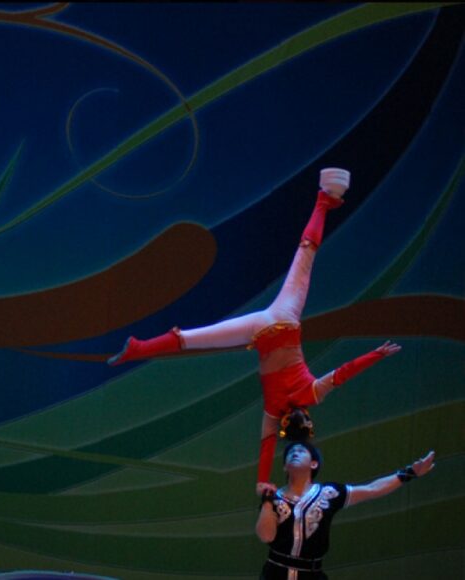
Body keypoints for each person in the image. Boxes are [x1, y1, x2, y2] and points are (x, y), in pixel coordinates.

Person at [107, 169, 400, 488]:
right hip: (262, 330)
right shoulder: (277, 411)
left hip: (280, 319)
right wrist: (262, 482)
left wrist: (377, 354)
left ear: (303, 419)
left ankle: (323, 201)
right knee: (194, 339)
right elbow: (268, 445)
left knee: (305, 254)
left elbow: (343, 373)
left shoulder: (308, 396)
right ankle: (138, 349)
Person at [256, 441, 435, 579]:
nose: (295, 453)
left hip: (311, 575)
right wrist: (267, 501)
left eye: (301, 451)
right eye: (290, 452)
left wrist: (409, 473)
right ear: (284, 467)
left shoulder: (329, 492)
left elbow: (372, 489)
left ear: (314, 464)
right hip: (274, 573)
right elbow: (266, 536)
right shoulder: (274, 497)